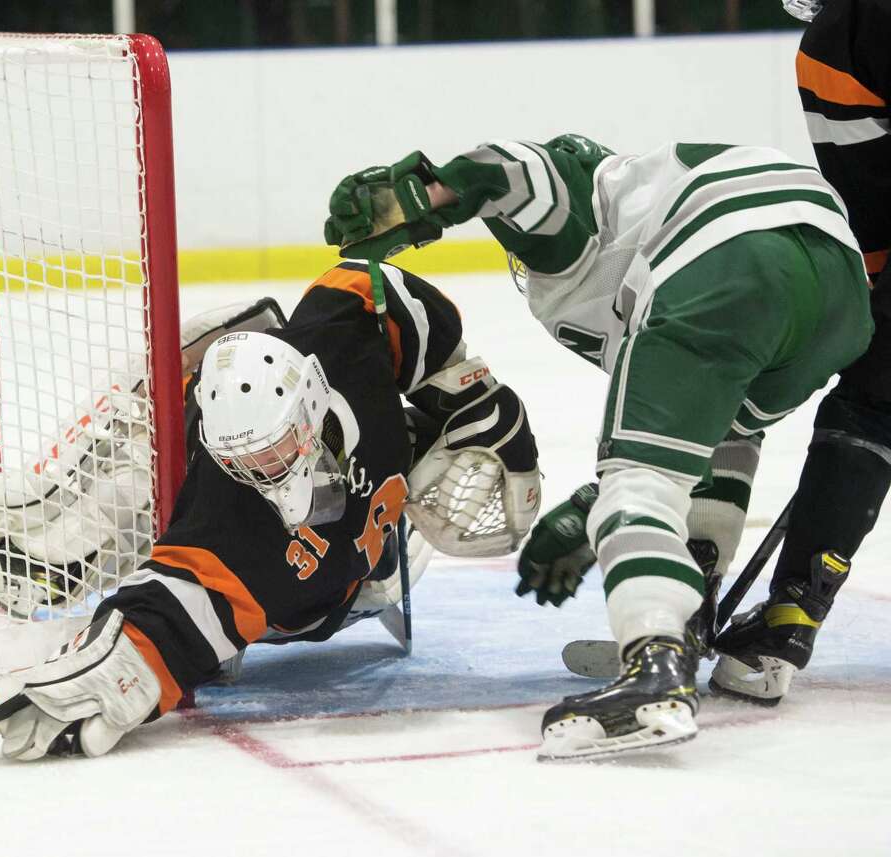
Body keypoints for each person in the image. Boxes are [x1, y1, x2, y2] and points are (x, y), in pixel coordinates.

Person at [322, 133, 872, 759]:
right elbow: (720, 441)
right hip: (839, 294)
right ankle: (687, 618)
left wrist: (410, 199)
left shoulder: (591, 200)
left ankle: (654, 669)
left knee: (634, 487)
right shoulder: (643, 206)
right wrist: (593, 506)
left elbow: (510, 168)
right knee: (702, 452)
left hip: (724, 252)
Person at [0, 266, 541, 760]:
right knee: (236, 344)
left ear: (309, 406)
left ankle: (71, 517)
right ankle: (79, 510)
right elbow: (366, 283)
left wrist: (463, 381)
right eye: (246, 459)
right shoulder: (252, 495)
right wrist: (461, 381)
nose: (264, 471)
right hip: (333, 561)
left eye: (274, 450)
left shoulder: (271, 542)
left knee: (233, 332)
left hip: (328, 589)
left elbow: (374, 285)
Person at [707, 0, 891, 706]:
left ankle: (790, 615)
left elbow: (871, 200)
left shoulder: (842, 36)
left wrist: (870, 304)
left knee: (873, 404)